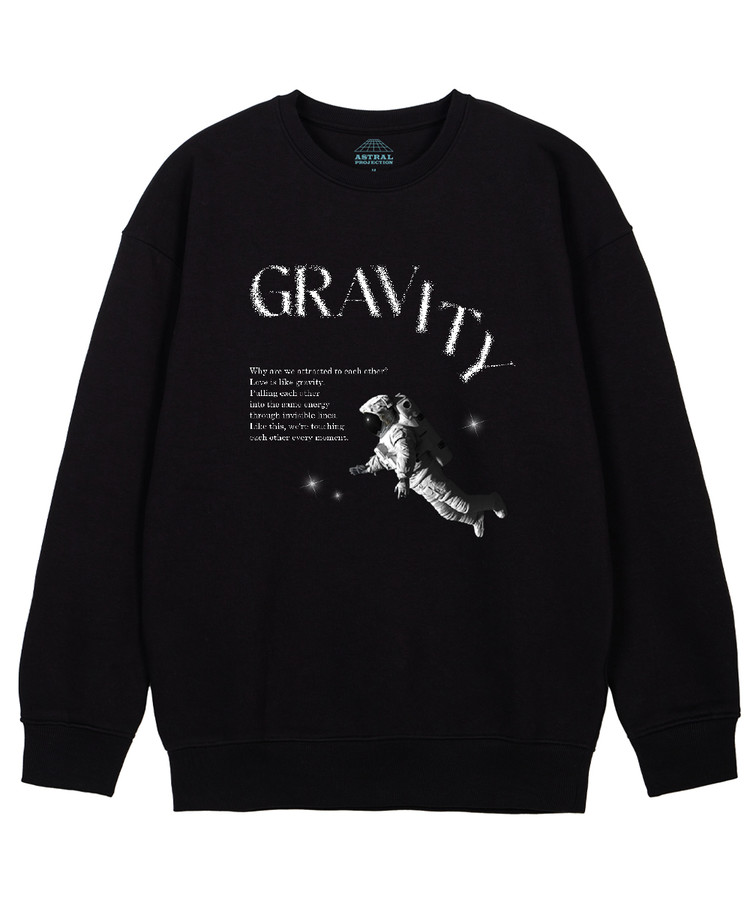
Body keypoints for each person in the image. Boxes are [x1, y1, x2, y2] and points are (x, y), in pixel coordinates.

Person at [350, 394, 507, 537]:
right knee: (446, 513)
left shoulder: (399, 432)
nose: (373, 426)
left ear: (383, 416)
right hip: (417, 484)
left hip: (428, 475)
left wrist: (403, 478)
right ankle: (476, 519)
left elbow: (406, 454)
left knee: (463, 505)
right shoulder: (385, 441)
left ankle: (493, 501)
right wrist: (367, 468)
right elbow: (383, 459)